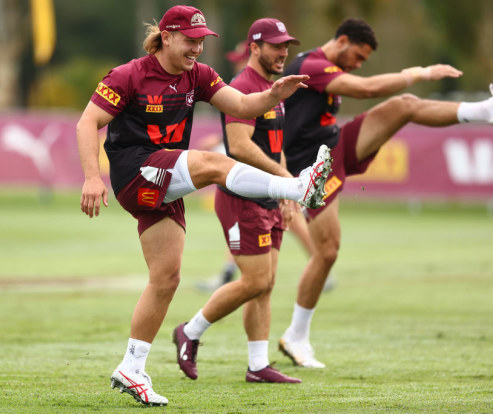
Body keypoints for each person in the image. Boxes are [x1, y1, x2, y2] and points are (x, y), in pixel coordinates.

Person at [76, 5, 332, 407]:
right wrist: (92, 176)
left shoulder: (199, 75)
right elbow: (86, 123)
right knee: (215, 164)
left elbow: (242, 107)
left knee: (166, 278)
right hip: (134, 171)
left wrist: (272, 94)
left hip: (163, 181)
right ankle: (298, 189)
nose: (198, 48)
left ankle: (131, 367)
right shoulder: (129, 75)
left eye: (202, 41)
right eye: (191, 40)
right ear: (166, 36)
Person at [277, 17, 493, 369]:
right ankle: (295, 336)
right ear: (341, 41)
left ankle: (489, 109)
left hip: (335, 145)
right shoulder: (311, 65)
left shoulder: (327, 64)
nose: (359, 64)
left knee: (404, 105)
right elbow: (368, 89)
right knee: (327, 251)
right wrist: (419, 72)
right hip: (311, 166)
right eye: (358, 56)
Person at [173, 17, 316, 384]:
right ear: (254, 48)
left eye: (287, 45)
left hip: (270, 198)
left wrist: (286, 194)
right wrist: (286, 181)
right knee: (255, 281)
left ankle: (258, 365)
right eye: (276, 46)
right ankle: (190, 331)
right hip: (242, 197)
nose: (284, 52)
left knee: (265, 284)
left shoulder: (273, 87)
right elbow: (238, 146)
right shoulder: (243, 86)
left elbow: (275, 146)